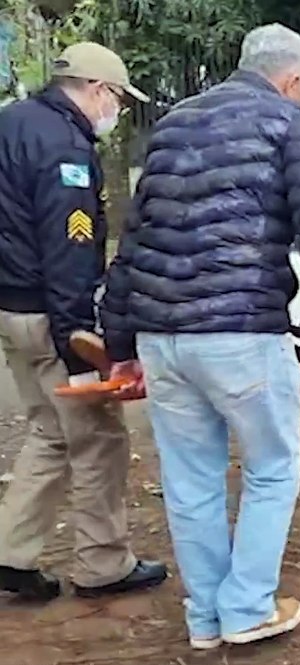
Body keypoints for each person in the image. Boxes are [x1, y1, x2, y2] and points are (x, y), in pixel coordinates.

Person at [99, 24, 300, 648]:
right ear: (295, 78)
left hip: (161, 333)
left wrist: (119, 344)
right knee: (273, 466)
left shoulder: (174, 123)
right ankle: (246, 608)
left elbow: (135, 237)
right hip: (240, 330)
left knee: (191, 478)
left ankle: (206, 617)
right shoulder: (293, 123)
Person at [0, 42, 169, 602]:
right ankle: (104, 563)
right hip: (48, 311)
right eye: (117, 100)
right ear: (99, 89)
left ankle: (11, 553)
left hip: (9, 307)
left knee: (49, 430)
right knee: (97, 438)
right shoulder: (64, 148)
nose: (115, 112)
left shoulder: (11, 123)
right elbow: (69, 252)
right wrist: (81, 349)